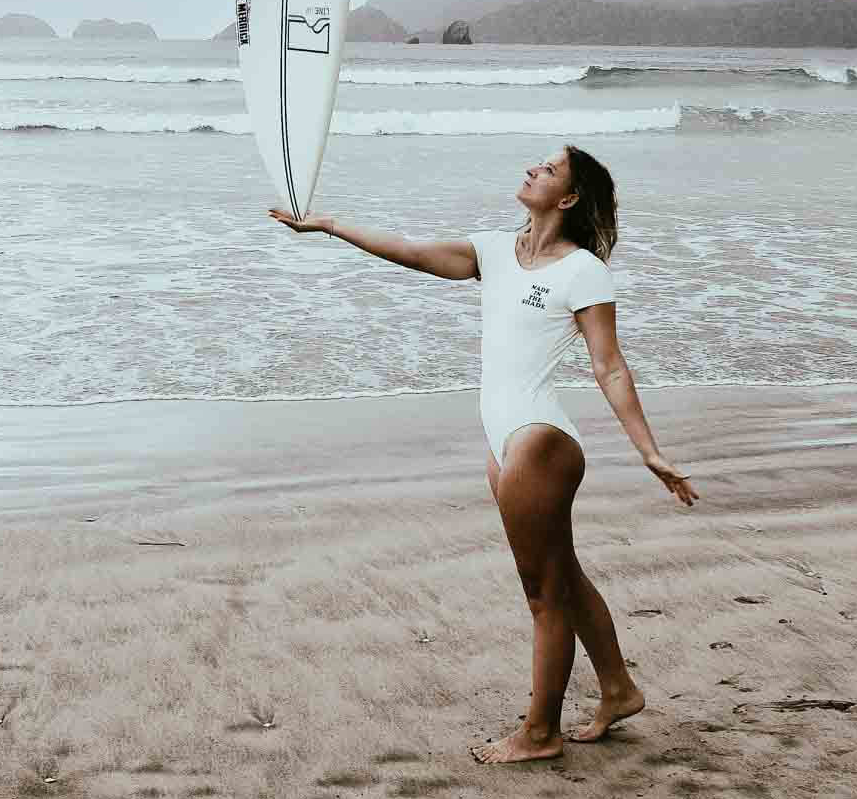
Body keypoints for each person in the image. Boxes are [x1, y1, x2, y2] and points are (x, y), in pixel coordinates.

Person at [270, 144, 697, 765]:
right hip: (504, 441)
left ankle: (541, 733)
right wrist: (331, 226)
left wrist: (649, 451)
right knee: (563, 577)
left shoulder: (583, 271)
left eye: (548, 170)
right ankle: (618, 688)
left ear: (568, 198)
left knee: (542, 593)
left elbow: (609, 366)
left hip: (539, 438)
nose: (532, 170)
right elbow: (410, 251)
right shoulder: (494, 252)